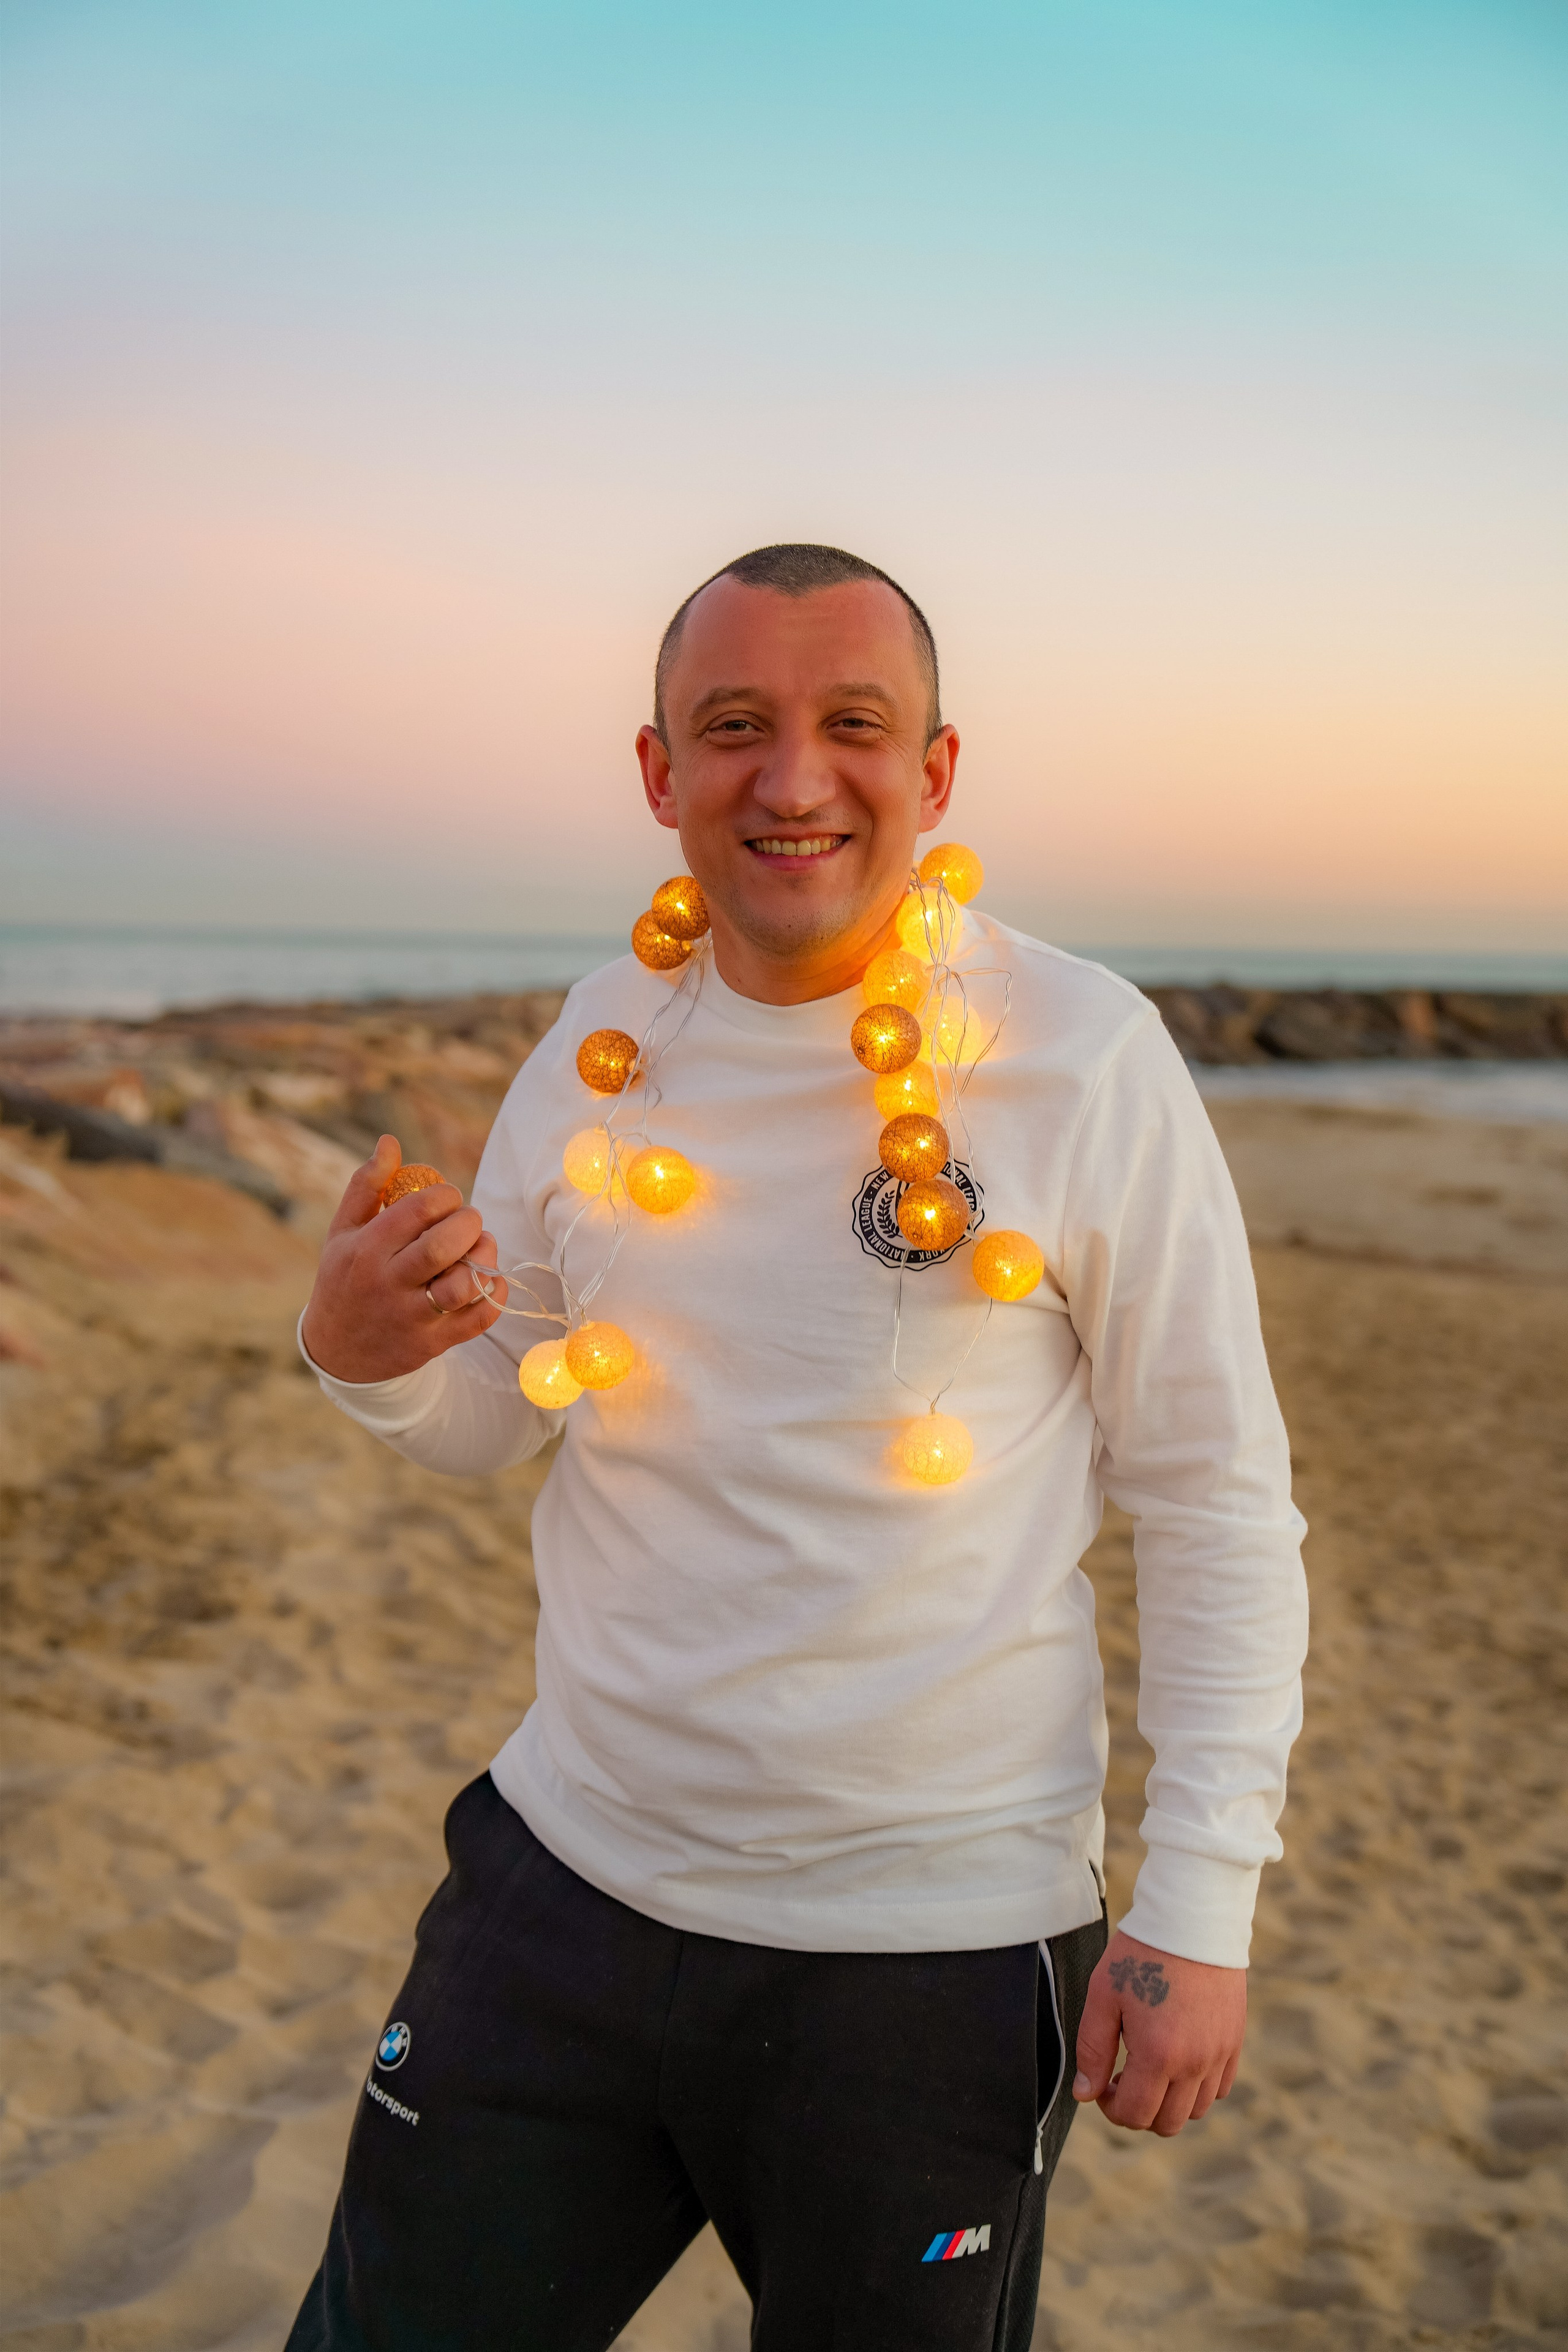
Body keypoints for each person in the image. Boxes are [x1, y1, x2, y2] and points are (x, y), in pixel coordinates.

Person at [285, 543, 1308, 2352]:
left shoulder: (1081, 1055)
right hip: (559, 1894)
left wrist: (1199, 1904)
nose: (793, 777)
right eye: (734, 726)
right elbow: (491, 1422)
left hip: (927, 1959)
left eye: (854, 725)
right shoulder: (607, 1042)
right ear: (659, 771)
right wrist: (360, 1353)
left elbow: (1214, 1498)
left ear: (936, 770)